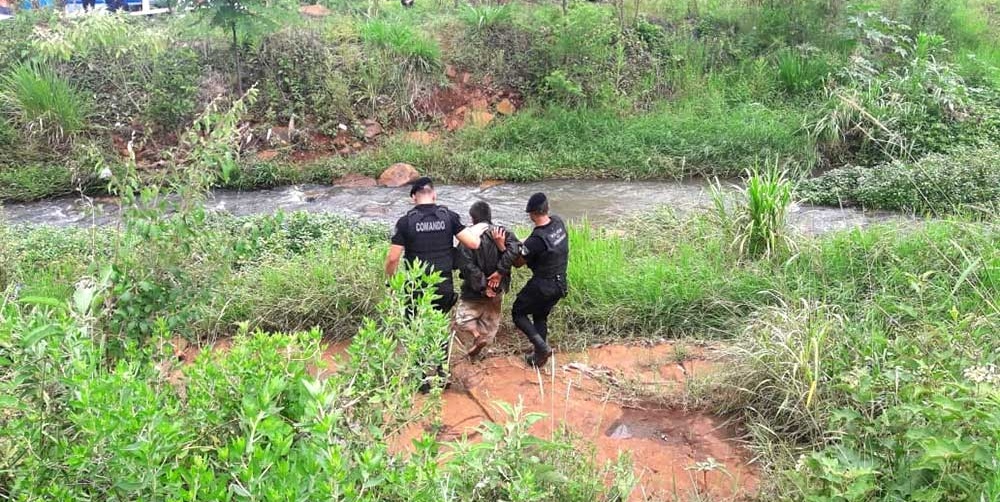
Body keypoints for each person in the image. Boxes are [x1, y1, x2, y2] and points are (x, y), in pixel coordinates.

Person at [491, 192, 568, 368]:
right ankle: (539, 358)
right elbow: (537, 243)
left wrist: (502, 246)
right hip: (560, 282)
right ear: (547, 208)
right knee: (540, 316)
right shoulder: (558, 223)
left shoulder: (535, 240)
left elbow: (518, 263)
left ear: (531, 214)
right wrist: (525, 244)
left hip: (543, 284)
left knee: (518, 313)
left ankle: (542, 346)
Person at [385, 176, 481, 314]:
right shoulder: (449, 217)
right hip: (443, 285)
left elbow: (393, 259)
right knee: (438, 327)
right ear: (434, 195)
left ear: (413, 197)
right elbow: (473, 243)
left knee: (414, 329)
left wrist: (391, 283)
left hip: (416, 287)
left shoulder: (405, 222)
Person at [453, 201, 519, 360]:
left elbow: (467, 266)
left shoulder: (468, 237)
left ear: (472, 218)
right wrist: (499, 273)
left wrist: (484, 286)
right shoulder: (501, 232)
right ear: (490, 216)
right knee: (490, 323)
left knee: (462, 319)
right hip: (497, 288)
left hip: (474, 290)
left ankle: (476, 336)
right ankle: (480, 353)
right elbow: (515, 250)